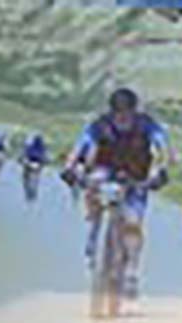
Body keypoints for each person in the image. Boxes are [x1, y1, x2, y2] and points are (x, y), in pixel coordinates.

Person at [62, 88, 170, 298]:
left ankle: (131, 272)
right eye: (118, 112)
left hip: (136, 175)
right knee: (93, 186)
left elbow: (162, 148)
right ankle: (93, 234)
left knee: (133, 223)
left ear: (134, 110)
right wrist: (70, 168)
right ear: (111, 111)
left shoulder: (147, 125)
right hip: (106, 171)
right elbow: (80, 146)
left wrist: (161, 171)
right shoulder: (99, 125)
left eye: (127, 112)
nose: (122, 116)